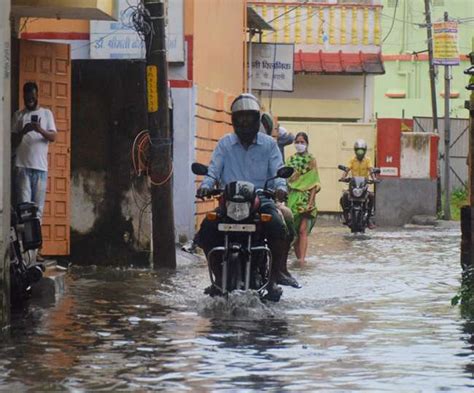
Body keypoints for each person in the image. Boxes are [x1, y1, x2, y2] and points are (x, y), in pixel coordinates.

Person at [196, 93, 300, 299]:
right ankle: (218, 279)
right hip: (229, 203)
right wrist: (205, 186)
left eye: (249, 118)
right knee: (205, 232)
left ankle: (274, 276)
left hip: (260, 201)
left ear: (256, 119)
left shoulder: (269, 144)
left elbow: (278, 171)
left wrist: (280, 188)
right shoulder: (225, 144)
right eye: (240, 119)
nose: (244, 123)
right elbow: (213, 171)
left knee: (279, 227)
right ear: (234, 120)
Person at [11, 82, 57, 261]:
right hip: (22, 167)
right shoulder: (19, 115)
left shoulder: (46, 114)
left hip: (40, 169)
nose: (29, 100)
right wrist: (23, 131)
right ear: (23, 96)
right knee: (24, 209)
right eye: (26, 97)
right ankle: (24, 251)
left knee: (37, 211)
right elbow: (12, 142)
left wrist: (39, 129)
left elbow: (53, 137)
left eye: (32, 97)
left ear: (37, 95)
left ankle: (37, 251)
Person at [286, 132, 321, 265]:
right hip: (292, 198)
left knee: (302, 230)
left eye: (302, 142)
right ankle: (298, 258)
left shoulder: (311, 160)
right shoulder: (290, 160)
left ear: (307, 144)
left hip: (306, 198)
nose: (299, 145)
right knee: (294, 231)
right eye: (297, 142)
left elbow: (314, 182)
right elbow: (286, 181)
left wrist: (311, 203)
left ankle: (302, 260)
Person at [340, 139, 376, 229]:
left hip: (363, 187)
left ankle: (368, 219)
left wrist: (374, 178)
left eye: (362, 150)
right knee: (344, 196)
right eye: (358, 150)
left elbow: (371, 170)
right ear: (355, 150)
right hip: (353, 186)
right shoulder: (352, 160)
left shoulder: (368, 160)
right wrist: (343, 177)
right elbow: (347, 169)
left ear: (365, 151)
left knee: (372, 196)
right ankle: (346, 215)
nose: (360, 152)